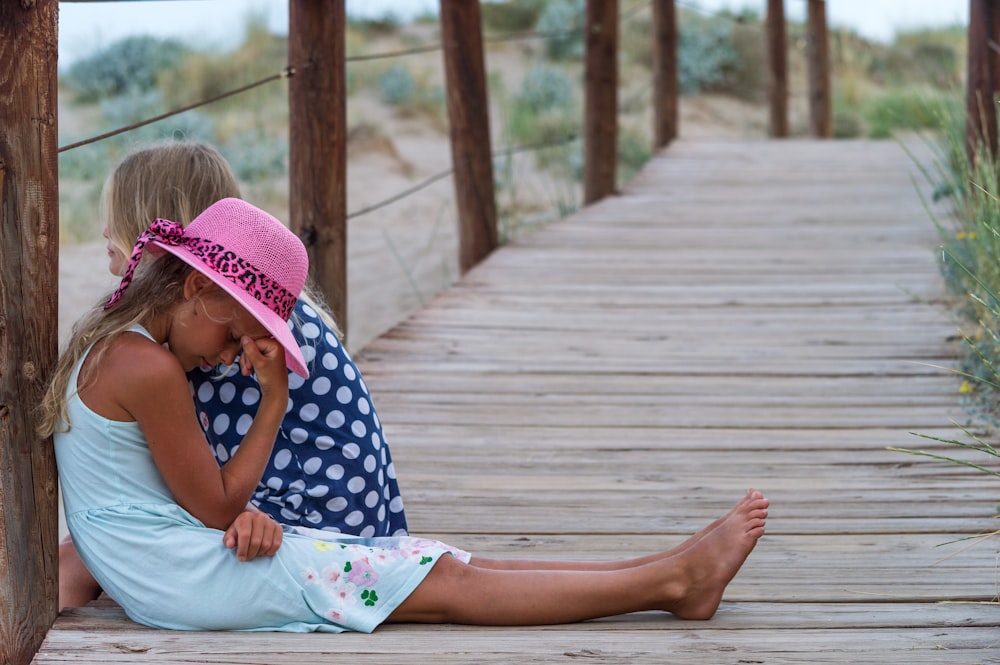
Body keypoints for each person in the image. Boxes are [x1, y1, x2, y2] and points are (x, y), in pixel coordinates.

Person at [41, 197, 769, 632]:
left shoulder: (118, 345)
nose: (232, 354)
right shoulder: (149, 367)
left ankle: (664, 569)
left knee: (438, 563)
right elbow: (215, 505)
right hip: (187, 576)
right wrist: (273, 401)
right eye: (235, 334)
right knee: (441, 583)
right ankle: (671, 583)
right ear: (198, 288)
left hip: (175, 570)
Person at [59, 141, 406, 610]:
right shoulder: (239, 305)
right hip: (347, 511)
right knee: (80, 553)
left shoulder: (231, 326)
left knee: (81, 560)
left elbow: (207, 498)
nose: (105, 230)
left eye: (117, 220)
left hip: (315, 519)